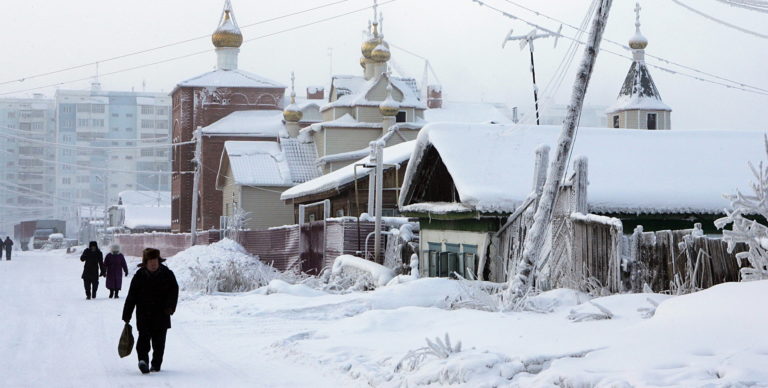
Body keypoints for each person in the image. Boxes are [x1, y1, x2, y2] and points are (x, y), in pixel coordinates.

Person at [122, 248, 179, 374]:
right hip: (144, 314)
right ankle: (143, 361)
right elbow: (132, 296)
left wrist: (170, 307)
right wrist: (127, 314)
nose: (153, 264)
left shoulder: (167, 274)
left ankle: (156, 364)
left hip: (162, 314)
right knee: (143, 339)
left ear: (158, 261)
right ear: (146, 262)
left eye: (155, 261)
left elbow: (174, 291)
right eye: (150, 261)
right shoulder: (139, 276)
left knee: (159, 342)